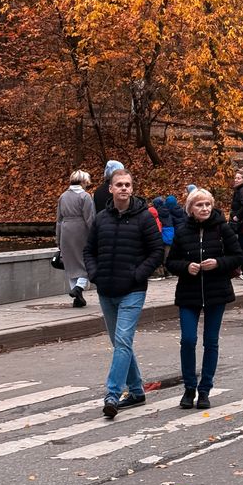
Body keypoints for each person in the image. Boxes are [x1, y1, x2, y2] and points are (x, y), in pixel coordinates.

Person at [83, 169, 164, 419]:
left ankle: (112, 394)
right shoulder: (102, 219)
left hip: (132, 291)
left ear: (132, 188)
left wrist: (137, 275)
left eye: (128, 184)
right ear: (111, 188)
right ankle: (137, 391)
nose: (124, 188)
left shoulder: (144, 218)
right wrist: (95, 275)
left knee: (123, 341)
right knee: (120, 343)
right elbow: (89, 250)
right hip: (106, 290)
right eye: (119, 184)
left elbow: (156, 251)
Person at [165, 187, 243, 409]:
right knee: (188, 340)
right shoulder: (182, 231)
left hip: (216, 292)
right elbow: (170, 262)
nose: (205, 208)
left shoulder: (222, 228)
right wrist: (185, 267)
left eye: (208, 204)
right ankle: (189, 388)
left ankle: (205, 389)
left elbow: (238, 256)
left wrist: (218, 263)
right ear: (190, 209)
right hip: (188, 293)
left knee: (211, 341)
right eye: (199, 205)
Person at [55, 169, 95, 308]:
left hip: (66, 230)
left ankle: (77, 296)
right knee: (85, 261)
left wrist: (58, 237)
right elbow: (90, 218)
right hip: (80, 230)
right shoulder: (85, 197)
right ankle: (79, 288)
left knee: (70, 263)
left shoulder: (63, 196)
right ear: (83, 181)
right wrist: (95, 235)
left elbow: (58, 220)